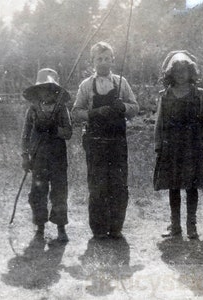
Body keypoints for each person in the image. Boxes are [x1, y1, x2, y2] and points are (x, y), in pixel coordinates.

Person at [72, 41, 139, 239]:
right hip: (95, 141)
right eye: (99, 59)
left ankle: (116, 228)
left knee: (119, 184)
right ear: (92, 61)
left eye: (107, 58)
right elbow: (76, 112)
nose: (103, 62)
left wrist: (124, 108)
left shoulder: (121, 82)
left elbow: (135, 107)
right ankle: (99, 230)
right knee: (97, 185)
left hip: (117, 140)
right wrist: (94, 113)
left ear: (112, 60)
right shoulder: (86, 85)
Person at [153, 50, 203, 239]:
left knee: (191, 186)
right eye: (177, 71)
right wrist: (158, 144)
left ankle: (191, 225)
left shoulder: (199, 95)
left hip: (192, 145)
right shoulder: (166, 95)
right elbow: (159, 121)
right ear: (170, 73)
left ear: (191, 72)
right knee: (173, 186)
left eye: (184, 71)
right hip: (171, 146)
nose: (181, 75)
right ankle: (175, 225)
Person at [21, 68, 72, 242]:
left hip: (58, 158)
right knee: (38, 192)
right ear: (37, 91)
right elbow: (25, 135)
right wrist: (24, 156)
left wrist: (55, 129)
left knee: (59, 192)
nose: (47, 93)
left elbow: (68, 132)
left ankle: (61, 227)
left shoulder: (61, 109)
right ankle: (40, 227)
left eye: (51, 89)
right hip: (38, 157)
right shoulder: (33, 110)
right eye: (43, 89)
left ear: (56, 90)